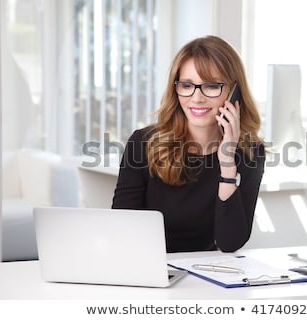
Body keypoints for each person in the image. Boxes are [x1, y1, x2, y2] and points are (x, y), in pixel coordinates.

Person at [112, 35, 265, 253]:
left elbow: (230, 242)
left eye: (211, 86)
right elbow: (121, 227)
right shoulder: (142, 143)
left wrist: (228, 164)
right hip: (148, 268)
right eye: (187, 85)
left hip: (206, 276)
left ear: (234, 93)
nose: (197, 98)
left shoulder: (250, 153)